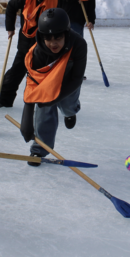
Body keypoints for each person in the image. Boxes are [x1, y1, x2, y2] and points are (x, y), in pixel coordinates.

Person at [19, 8, 87, 165]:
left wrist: (55, 99)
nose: (53, 43)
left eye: (58, 37)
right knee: (44, 110)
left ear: (66, 34)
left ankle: (70, 113)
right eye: (48, 39)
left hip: (69, 80)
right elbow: (33, 84)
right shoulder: (38, 53)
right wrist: (27, 117)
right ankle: (39, 150)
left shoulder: (78, 44)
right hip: (47, 81)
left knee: (68, 104)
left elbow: (77, 79)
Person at [0, 0, 58, 108]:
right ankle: (4, 100)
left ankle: (42, 105)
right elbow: (11, 6)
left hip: (42, 48)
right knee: (14, 73)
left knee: (40, 77)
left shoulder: (56, 4)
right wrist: (10, 27)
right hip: (24, 45)